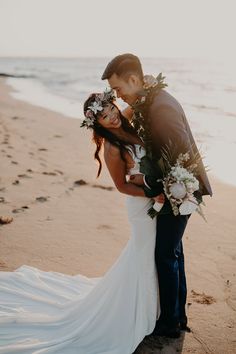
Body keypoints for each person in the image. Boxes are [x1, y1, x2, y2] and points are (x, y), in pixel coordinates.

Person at [0, 90, 164, 354]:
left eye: (111, 109)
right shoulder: (112, 147)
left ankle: (149, 303)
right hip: (139, 204)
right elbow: (121, 186)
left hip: (151, 197)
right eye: (104, 116)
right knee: (144, 253)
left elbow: (136, 101)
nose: (111, 117)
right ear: (96, 123)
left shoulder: (121, 119)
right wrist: (151, 193)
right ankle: (141, 311)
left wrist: (150, 87)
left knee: (147, 253)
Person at [101, 53, 213, 338]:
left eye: (118, 89)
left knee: (165, 254)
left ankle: (170, 324)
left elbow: (180, 159)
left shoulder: (161, 108)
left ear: (134, 80)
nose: (118, 96)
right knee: (173, 251)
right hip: (173, 189)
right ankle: (178, 316)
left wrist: (150, 183)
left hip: (180, 189)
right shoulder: (149, 99)